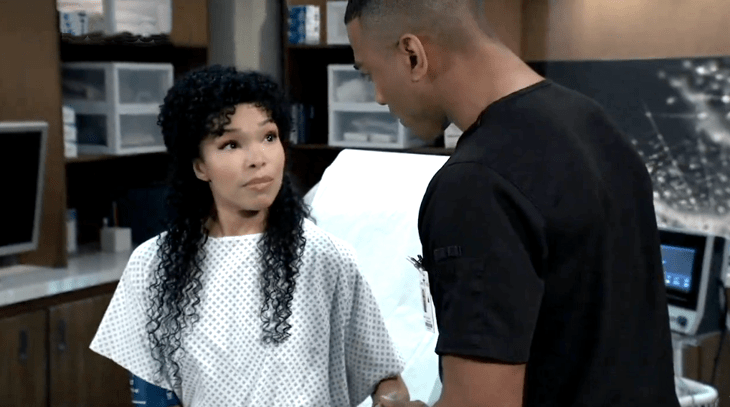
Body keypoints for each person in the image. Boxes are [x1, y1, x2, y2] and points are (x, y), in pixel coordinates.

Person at [344, 1, 681, 407]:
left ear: (412, 55)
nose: (379, 97)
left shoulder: (475, 185)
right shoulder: (597, 126)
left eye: (370, 73)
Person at [89, 65, 411, 406]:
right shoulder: (154, 264)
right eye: (231, 144)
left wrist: (393, 400)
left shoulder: (325, 257)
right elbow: (151, 394)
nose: (258, 159)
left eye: (269, 137)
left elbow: (384, 376)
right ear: (199, 165)